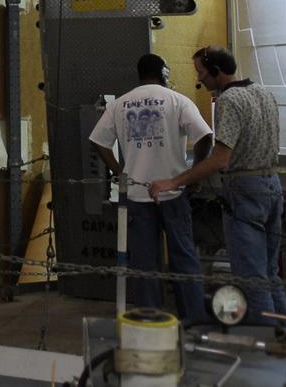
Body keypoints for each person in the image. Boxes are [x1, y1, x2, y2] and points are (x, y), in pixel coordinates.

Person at [149, 46, 286, 323]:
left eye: (202, 73)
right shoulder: (264, 92)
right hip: (272, 185)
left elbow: (221, 159)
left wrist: (175, 181)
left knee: (251, 279)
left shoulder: (229, 100)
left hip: (245, 190)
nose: (200, 81)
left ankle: (264, 347)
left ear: (216, 71)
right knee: (270, 273)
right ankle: (284, 335)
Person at [89, 54, 212, 321]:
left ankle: (151, 319)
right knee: (184, 257)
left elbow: (98, 141)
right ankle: (193, 319)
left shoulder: (120, 104)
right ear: (163, 73)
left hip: (136, 193)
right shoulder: (177, 100)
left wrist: (119, 171)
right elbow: (205, 136)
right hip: (173, 192)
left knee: (145, 263)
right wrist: (195, 172)